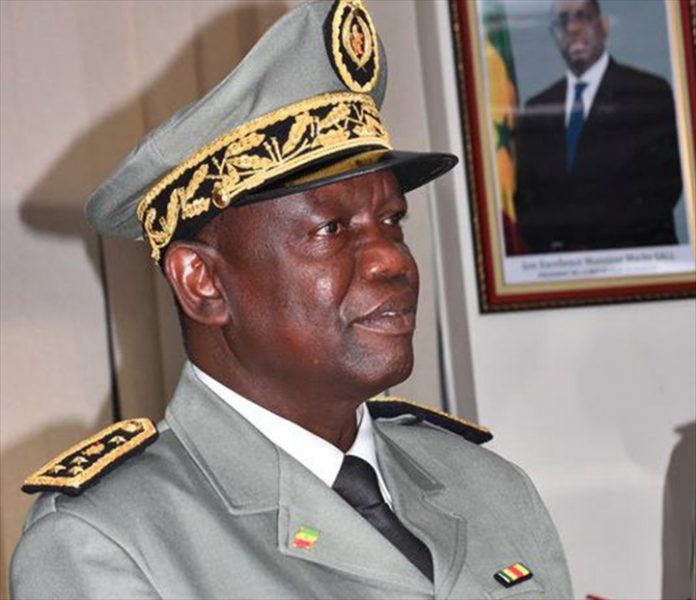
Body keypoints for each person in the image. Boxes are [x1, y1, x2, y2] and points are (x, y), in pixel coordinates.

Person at [11, 1, 573, 598]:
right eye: (331, 229)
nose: (391, 260)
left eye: (392, 221)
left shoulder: (489, 488)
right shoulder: (108, 539)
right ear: (202, 282)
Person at [514, 0, 683, 254]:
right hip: (561, 266)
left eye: (583, 16)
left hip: (637, 259)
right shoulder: (537, 108)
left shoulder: (648, 92)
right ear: (554, 35)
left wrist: (591, 248)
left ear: (603, 27)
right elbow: (526, 201)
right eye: (562, 22)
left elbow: (664, 186)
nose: (572, 28)